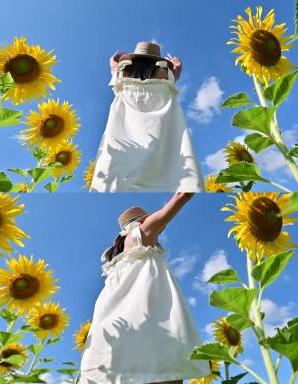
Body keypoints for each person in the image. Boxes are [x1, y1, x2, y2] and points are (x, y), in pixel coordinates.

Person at [79, 193, 207, 383]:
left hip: (116, 326)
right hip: (147, 324)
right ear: (141, 222)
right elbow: (180, 198)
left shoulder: (120, 257)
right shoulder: (142, 235)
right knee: (165, 371)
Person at [90, 42, 203, 192]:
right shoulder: (165, 75)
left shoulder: (121, 73)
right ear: (156, 59)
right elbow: (176, 73)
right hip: (163, 138)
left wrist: (114, 62)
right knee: (173, 178)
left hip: (122, 140)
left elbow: (114, 67)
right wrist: (177, 67)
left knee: (115, 178)